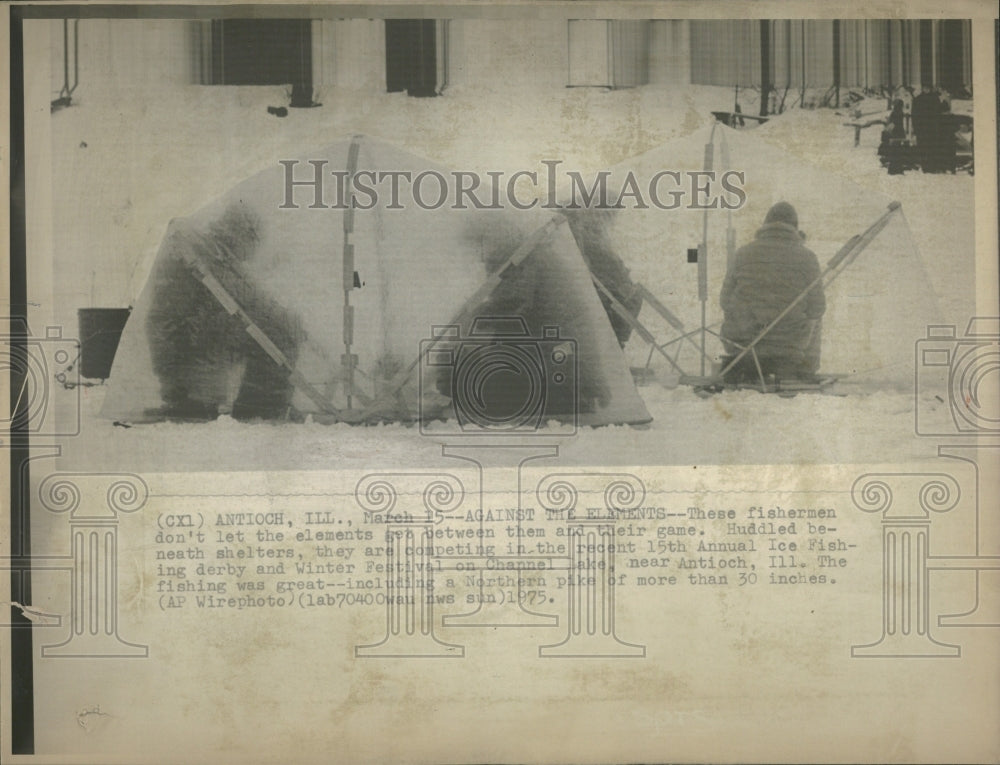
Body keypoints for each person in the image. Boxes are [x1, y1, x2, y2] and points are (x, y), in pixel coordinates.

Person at [719, 202, 826, 382]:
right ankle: (805, 370)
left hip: (743, 346)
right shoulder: (807, 257)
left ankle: (745, 365)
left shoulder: (743, 253)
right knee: (816, 318)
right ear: (795, 228)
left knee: (736, 307)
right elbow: (818, 308)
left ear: (765, 225)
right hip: (788, 347)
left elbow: (724, 301)